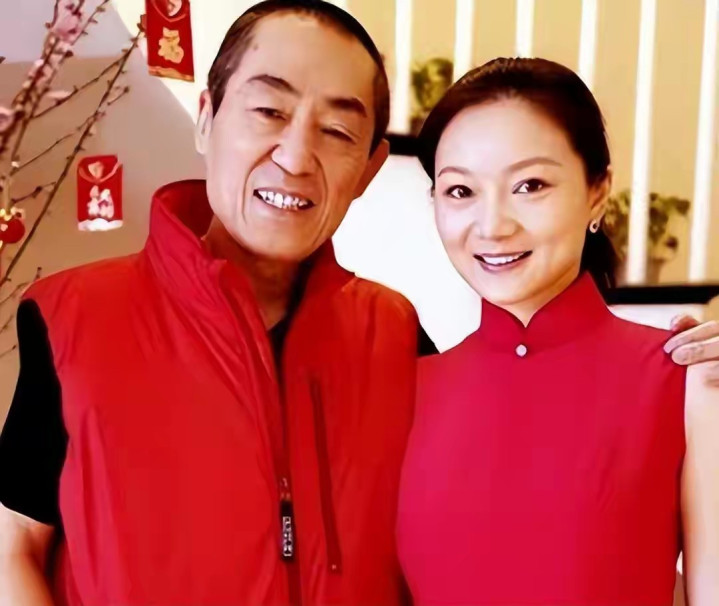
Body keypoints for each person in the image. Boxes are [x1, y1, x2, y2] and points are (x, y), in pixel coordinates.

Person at [0, 2, 716, 604]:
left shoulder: (395, 338)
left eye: (338, 131)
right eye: (268, 110)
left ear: (372, 166)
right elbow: (12, 551)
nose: (294, 156)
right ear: (207, 116)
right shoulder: (72, 318)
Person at [397, 57, 719, 606]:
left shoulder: (686, 382)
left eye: (530, 185)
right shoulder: (405, 390)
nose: (493, 225)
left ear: (598, 191)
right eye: (460, 191)